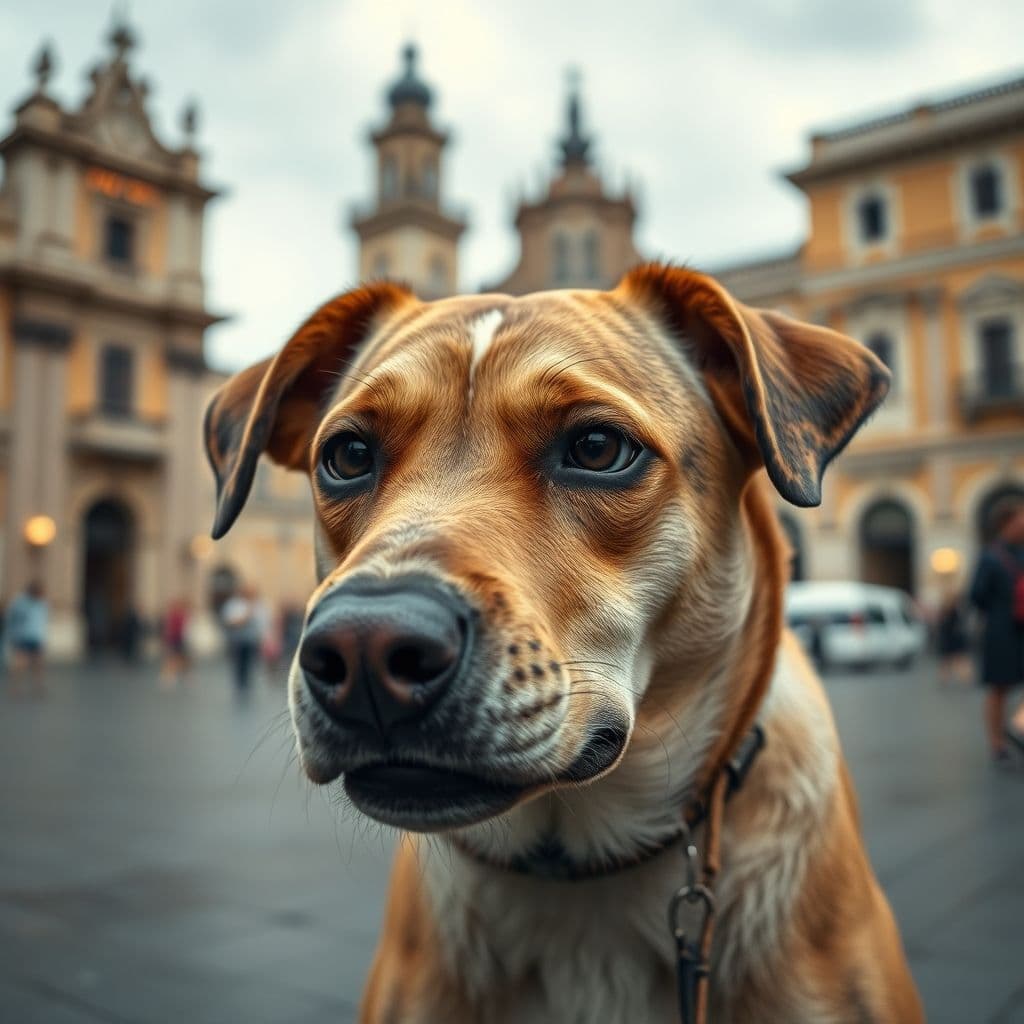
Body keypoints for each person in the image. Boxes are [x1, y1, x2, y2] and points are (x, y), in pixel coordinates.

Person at [969, 495, 1024, 765]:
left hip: (1016, 627)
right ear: (1007, 523)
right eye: (1020, 519)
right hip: (1002, 631)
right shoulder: (991, 556)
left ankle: (1017, 728)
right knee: (999, 689)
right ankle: (997, 742)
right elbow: (977, 595)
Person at [6, 581, 49, 698]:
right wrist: (13, 634)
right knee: (20, 664)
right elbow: (12, 618)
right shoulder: (20, 602)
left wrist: (43, 637)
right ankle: (15, 688)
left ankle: (39, 687)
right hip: (22, 636)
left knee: (39, 664)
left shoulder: (42, 603)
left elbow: (42, 621)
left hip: (36, 637)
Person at [220, 583, 263, 698]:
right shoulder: (233, 604)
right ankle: (239, 686)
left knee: (249, 663)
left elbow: (261, 622)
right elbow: (229, 621)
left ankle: (246, 684)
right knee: (238, 663)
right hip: (237, 639)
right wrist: (245, 617)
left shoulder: (256, 604)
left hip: (251, 639)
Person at [935, 588, 971, 686]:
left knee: (950, 660)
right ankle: (964, 678)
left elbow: (942, 625)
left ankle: (946, 679)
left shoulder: (948, 610)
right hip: (954, 638)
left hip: (950, 638)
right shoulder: (956, 609)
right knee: (956, 660)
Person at [160, 597, 191, 689]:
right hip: (175, 639)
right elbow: (170, 629)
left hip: (180, 639)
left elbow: (185, 628)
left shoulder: (182, 615)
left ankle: (178, 676)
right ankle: (169, 676)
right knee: (174, 658)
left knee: (181, 658)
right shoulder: (175, 615)